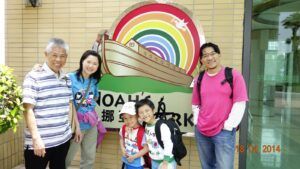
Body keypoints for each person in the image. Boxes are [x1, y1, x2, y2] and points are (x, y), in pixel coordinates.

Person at [23, 38, 80, 169]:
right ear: (46, 54)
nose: (58, 60)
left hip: (63, 140)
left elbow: (70, 105)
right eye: (54, 55)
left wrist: (74, 128)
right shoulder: (33, 77)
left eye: (62, 56)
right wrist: (36, 139)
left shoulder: (66, 79)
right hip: (40, 143)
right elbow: (27, 109)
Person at [191, 42, 248, 169]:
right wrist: (197, 123)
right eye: (205, 55)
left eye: (213, 54)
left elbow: (240, 103)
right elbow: (195, 103)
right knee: (207, 166)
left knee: (224, 166)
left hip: (223, 132)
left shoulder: (233, 75)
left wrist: (228, 126)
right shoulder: (199, 79)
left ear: (219, 55)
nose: (210, 58)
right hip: (202, 131)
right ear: (201, 60)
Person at [65, 50, 103, 168]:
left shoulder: (95, 81)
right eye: (88, 62)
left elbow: (94, 99)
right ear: (82, 61)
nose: (91, 66)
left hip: (91, 125)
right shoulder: (69, 78)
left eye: (95, 63)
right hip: (75, 126)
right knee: (66, 158)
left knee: (89, 158)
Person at [136, 99, 177, 169]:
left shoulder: (161, 126)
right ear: (138, 115)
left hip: (166, 162)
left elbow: (168, 144)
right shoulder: (146, 126)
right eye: (141, 112)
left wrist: (165, 162)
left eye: (147, 111)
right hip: (154, 161)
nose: (144, 114)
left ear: (153, 110)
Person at [119, 102, 149, 169]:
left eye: (131, 117)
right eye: (125, 118)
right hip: (126, 161)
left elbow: (146, 148)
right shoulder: (124, 128)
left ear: (137, 116)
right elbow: (121, 138)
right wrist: (123, 148)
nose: (128, 121)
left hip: (137, 164)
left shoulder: (142, 131)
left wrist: (133, 157)